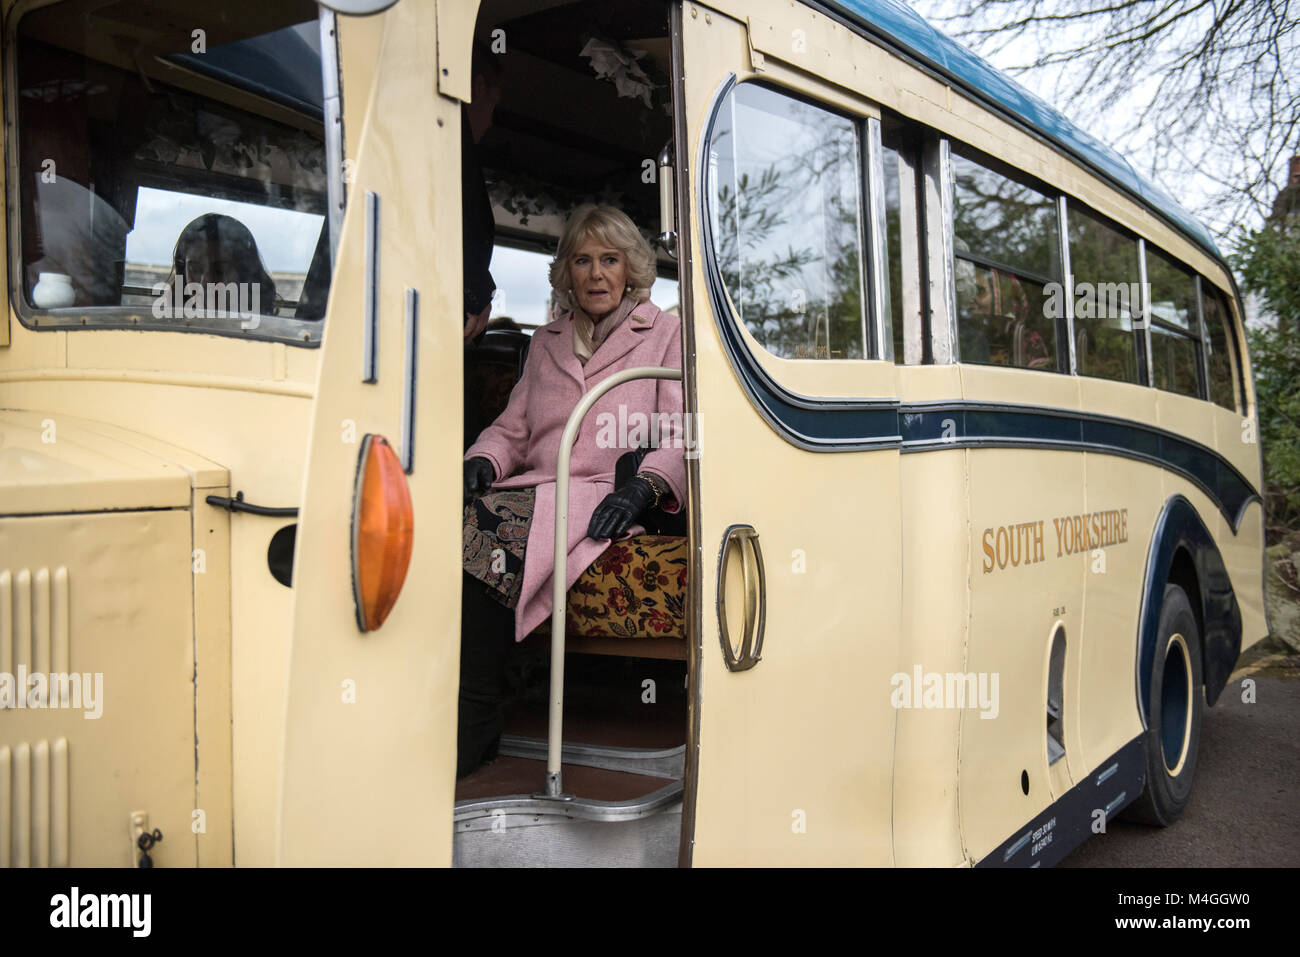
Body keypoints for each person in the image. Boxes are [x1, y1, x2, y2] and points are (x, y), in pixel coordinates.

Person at [457, 204, 685, 777]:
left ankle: (477, 715)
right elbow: (513, 429)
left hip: (603, 496)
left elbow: (681, 435)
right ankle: (450, 708)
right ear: (568, 273)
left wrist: (644, 489)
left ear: (631, 267)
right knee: (452, 513)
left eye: (610, 259)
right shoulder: (547, 340)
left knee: (491, 526)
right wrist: (482, 460)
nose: (597, 274)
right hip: (538, 486)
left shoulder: (666, 333)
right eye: (582, 261)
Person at [463, 43, 504, 342]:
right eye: (494, 103)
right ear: (477, 87)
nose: (491, 122)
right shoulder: (452, 150)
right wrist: (477, 293)